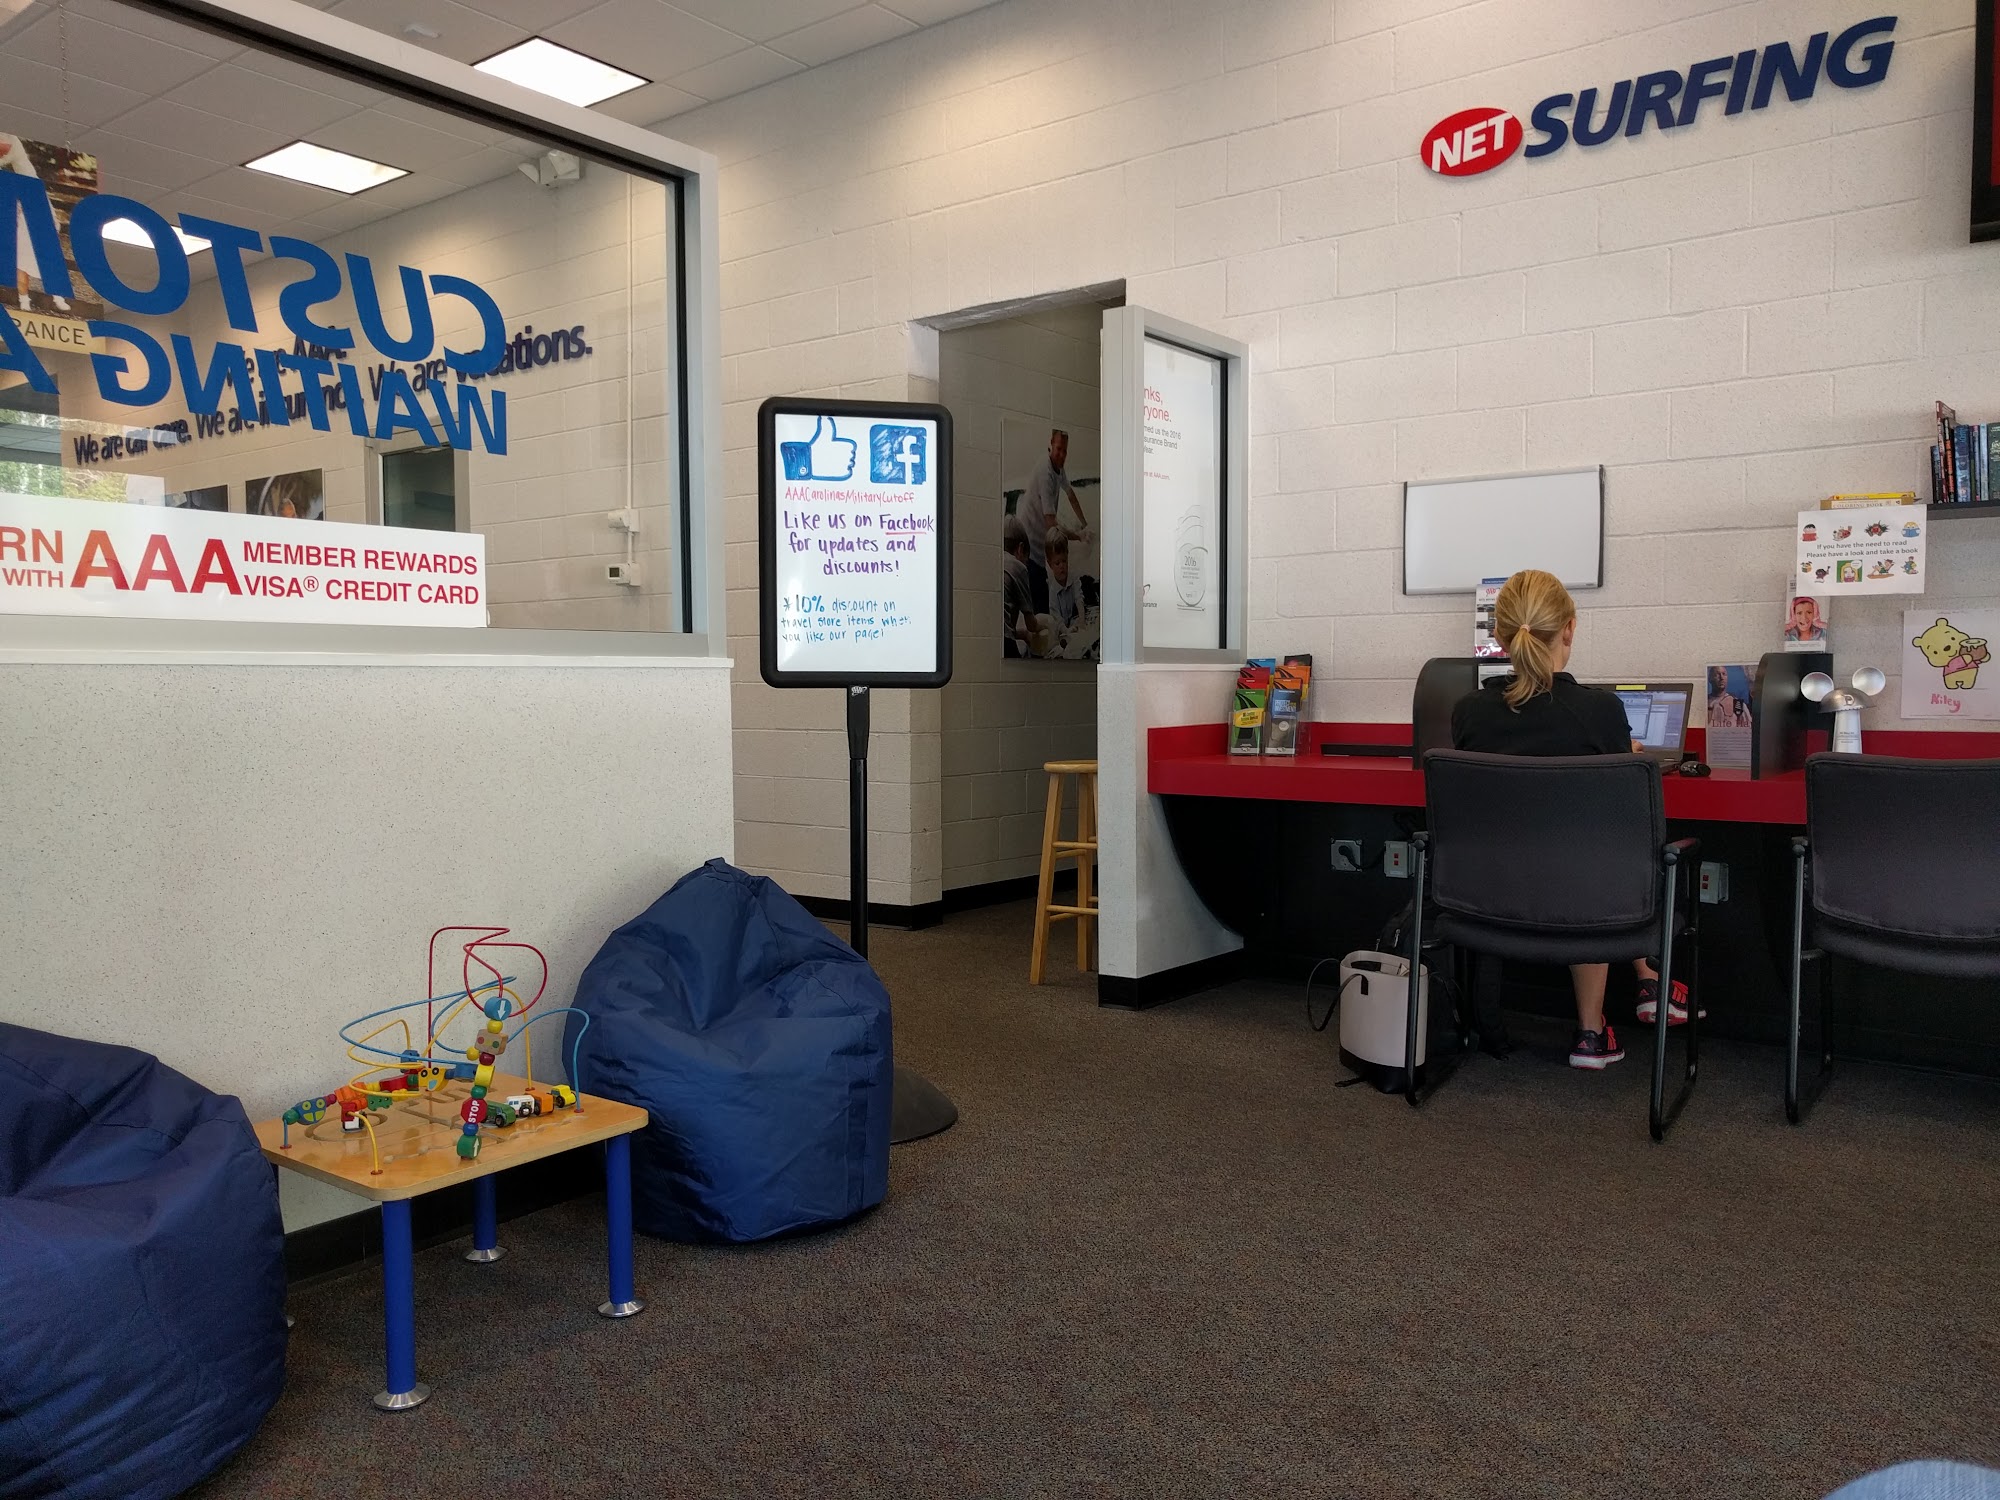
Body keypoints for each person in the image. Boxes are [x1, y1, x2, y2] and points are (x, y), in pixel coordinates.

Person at [1449, 569, 1681, 1071]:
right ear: (1569, 629)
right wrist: (1632, 754)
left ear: (1499, 635)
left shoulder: (1469, 712)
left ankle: (1642, 985)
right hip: (1582, 896)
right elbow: (1621, 808)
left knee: (1584, 858)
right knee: (1601, 854)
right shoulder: (1601, 711)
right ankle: (1604, 1021)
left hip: (1489, 893)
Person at [1016, 428, 1090, 575]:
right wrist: (1078, 537)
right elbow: (1052, 525)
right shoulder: (1045, 472)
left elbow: (1071, 495)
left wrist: (1085, 525)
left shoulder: (1058, 468)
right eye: (1059, 449)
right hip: (1030, 546)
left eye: (1065, 451)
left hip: (1041, 546)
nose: (1062, 455)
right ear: (1051, 443)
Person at [1046, 527, 1082, 633]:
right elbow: (1056, 617)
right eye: (1057, 563)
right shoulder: (1053, 590)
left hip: (1073, 622)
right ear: (1050, 564)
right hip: (1061, 630)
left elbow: (1079, 598)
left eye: (1064, 561)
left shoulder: (1073, 578)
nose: (1062, 566)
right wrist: (1066, 631)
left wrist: (1082, 620)